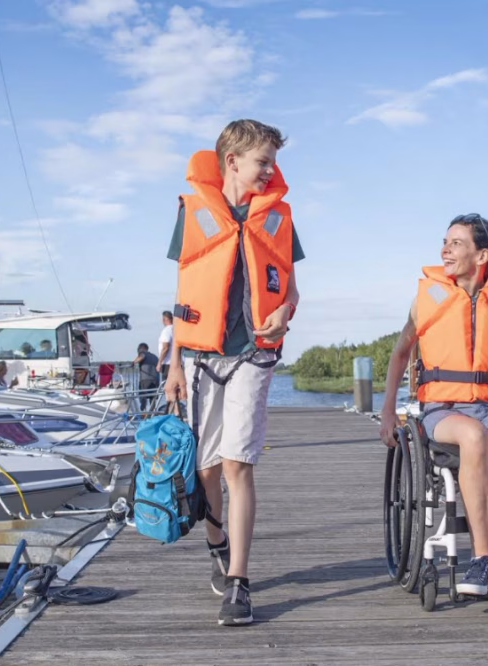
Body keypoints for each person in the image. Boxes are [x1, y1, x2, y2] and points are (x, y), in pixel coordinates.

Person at [164, 119, 304, 627]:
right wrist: (174, 364)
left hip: (254, 354)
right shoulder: (192, 213)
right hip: (201, 357)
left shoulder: (280, 218)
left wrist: (285, 312)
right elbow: (183, 293)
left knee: (236, 464)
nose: (270, 171)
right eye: (262, 161)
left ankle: (239, 583)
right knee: (205, 472)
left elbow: (291, 288)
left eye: (272, 162)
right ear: (232, 162)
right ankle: (217, 540)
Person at [378, 213, 488, 600]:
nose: (445, 249)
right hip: (443, 409)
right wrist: (388, 410)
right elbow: (401, 353)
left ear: (482, 255)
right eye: (445, 242)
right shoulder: (428, 301)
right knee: (471, 436)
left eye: (456, 243)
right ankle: (481, 556)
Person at [134, 342, 160, 412]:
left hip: (145, 380)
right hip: (155, 380)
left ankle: (143, 412)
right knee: (153, 398)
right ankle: (153, 413)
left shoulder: (142, 353)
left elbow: (142, 357)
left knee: (143, 397)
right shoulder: (155, 356)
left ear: (141, 349)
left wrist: (133, 362)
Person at [157, 311, 173, 381]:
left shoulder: (166, 330)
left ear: (164, 319)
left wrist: (159, 362)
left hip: (168, 363)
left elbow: (165, 348)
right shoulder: (176, 329)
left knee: (169, 388)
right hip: (179, 362)